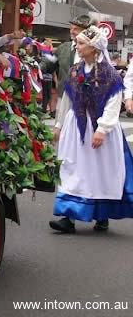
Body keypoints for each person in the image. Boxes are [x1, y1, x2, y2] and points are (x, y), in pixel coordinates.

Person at [49, 25, 133, 233]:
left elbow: (114, 103)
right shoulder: (75, 70)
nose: (77, 46)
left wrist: (102, 129)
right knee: (72, 168)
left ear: (94, 48)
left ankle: (101, 214)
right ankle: (68, 216)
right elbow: (67, 99)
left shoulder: (109, 74)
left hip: (98, 128)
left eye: (81, 43)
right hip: (76, 127)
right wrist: (58, 125)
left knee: (99, 172)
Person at [54, 15, 95, 111]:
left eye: (75, 29)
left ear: (85, 31)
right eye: (71, 28)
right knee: (61, 120)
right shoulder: (63, 48)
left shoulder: (93, 50)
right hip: (63, 96)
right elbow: (50, 63)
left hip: (86, 99)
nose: (72, 31)